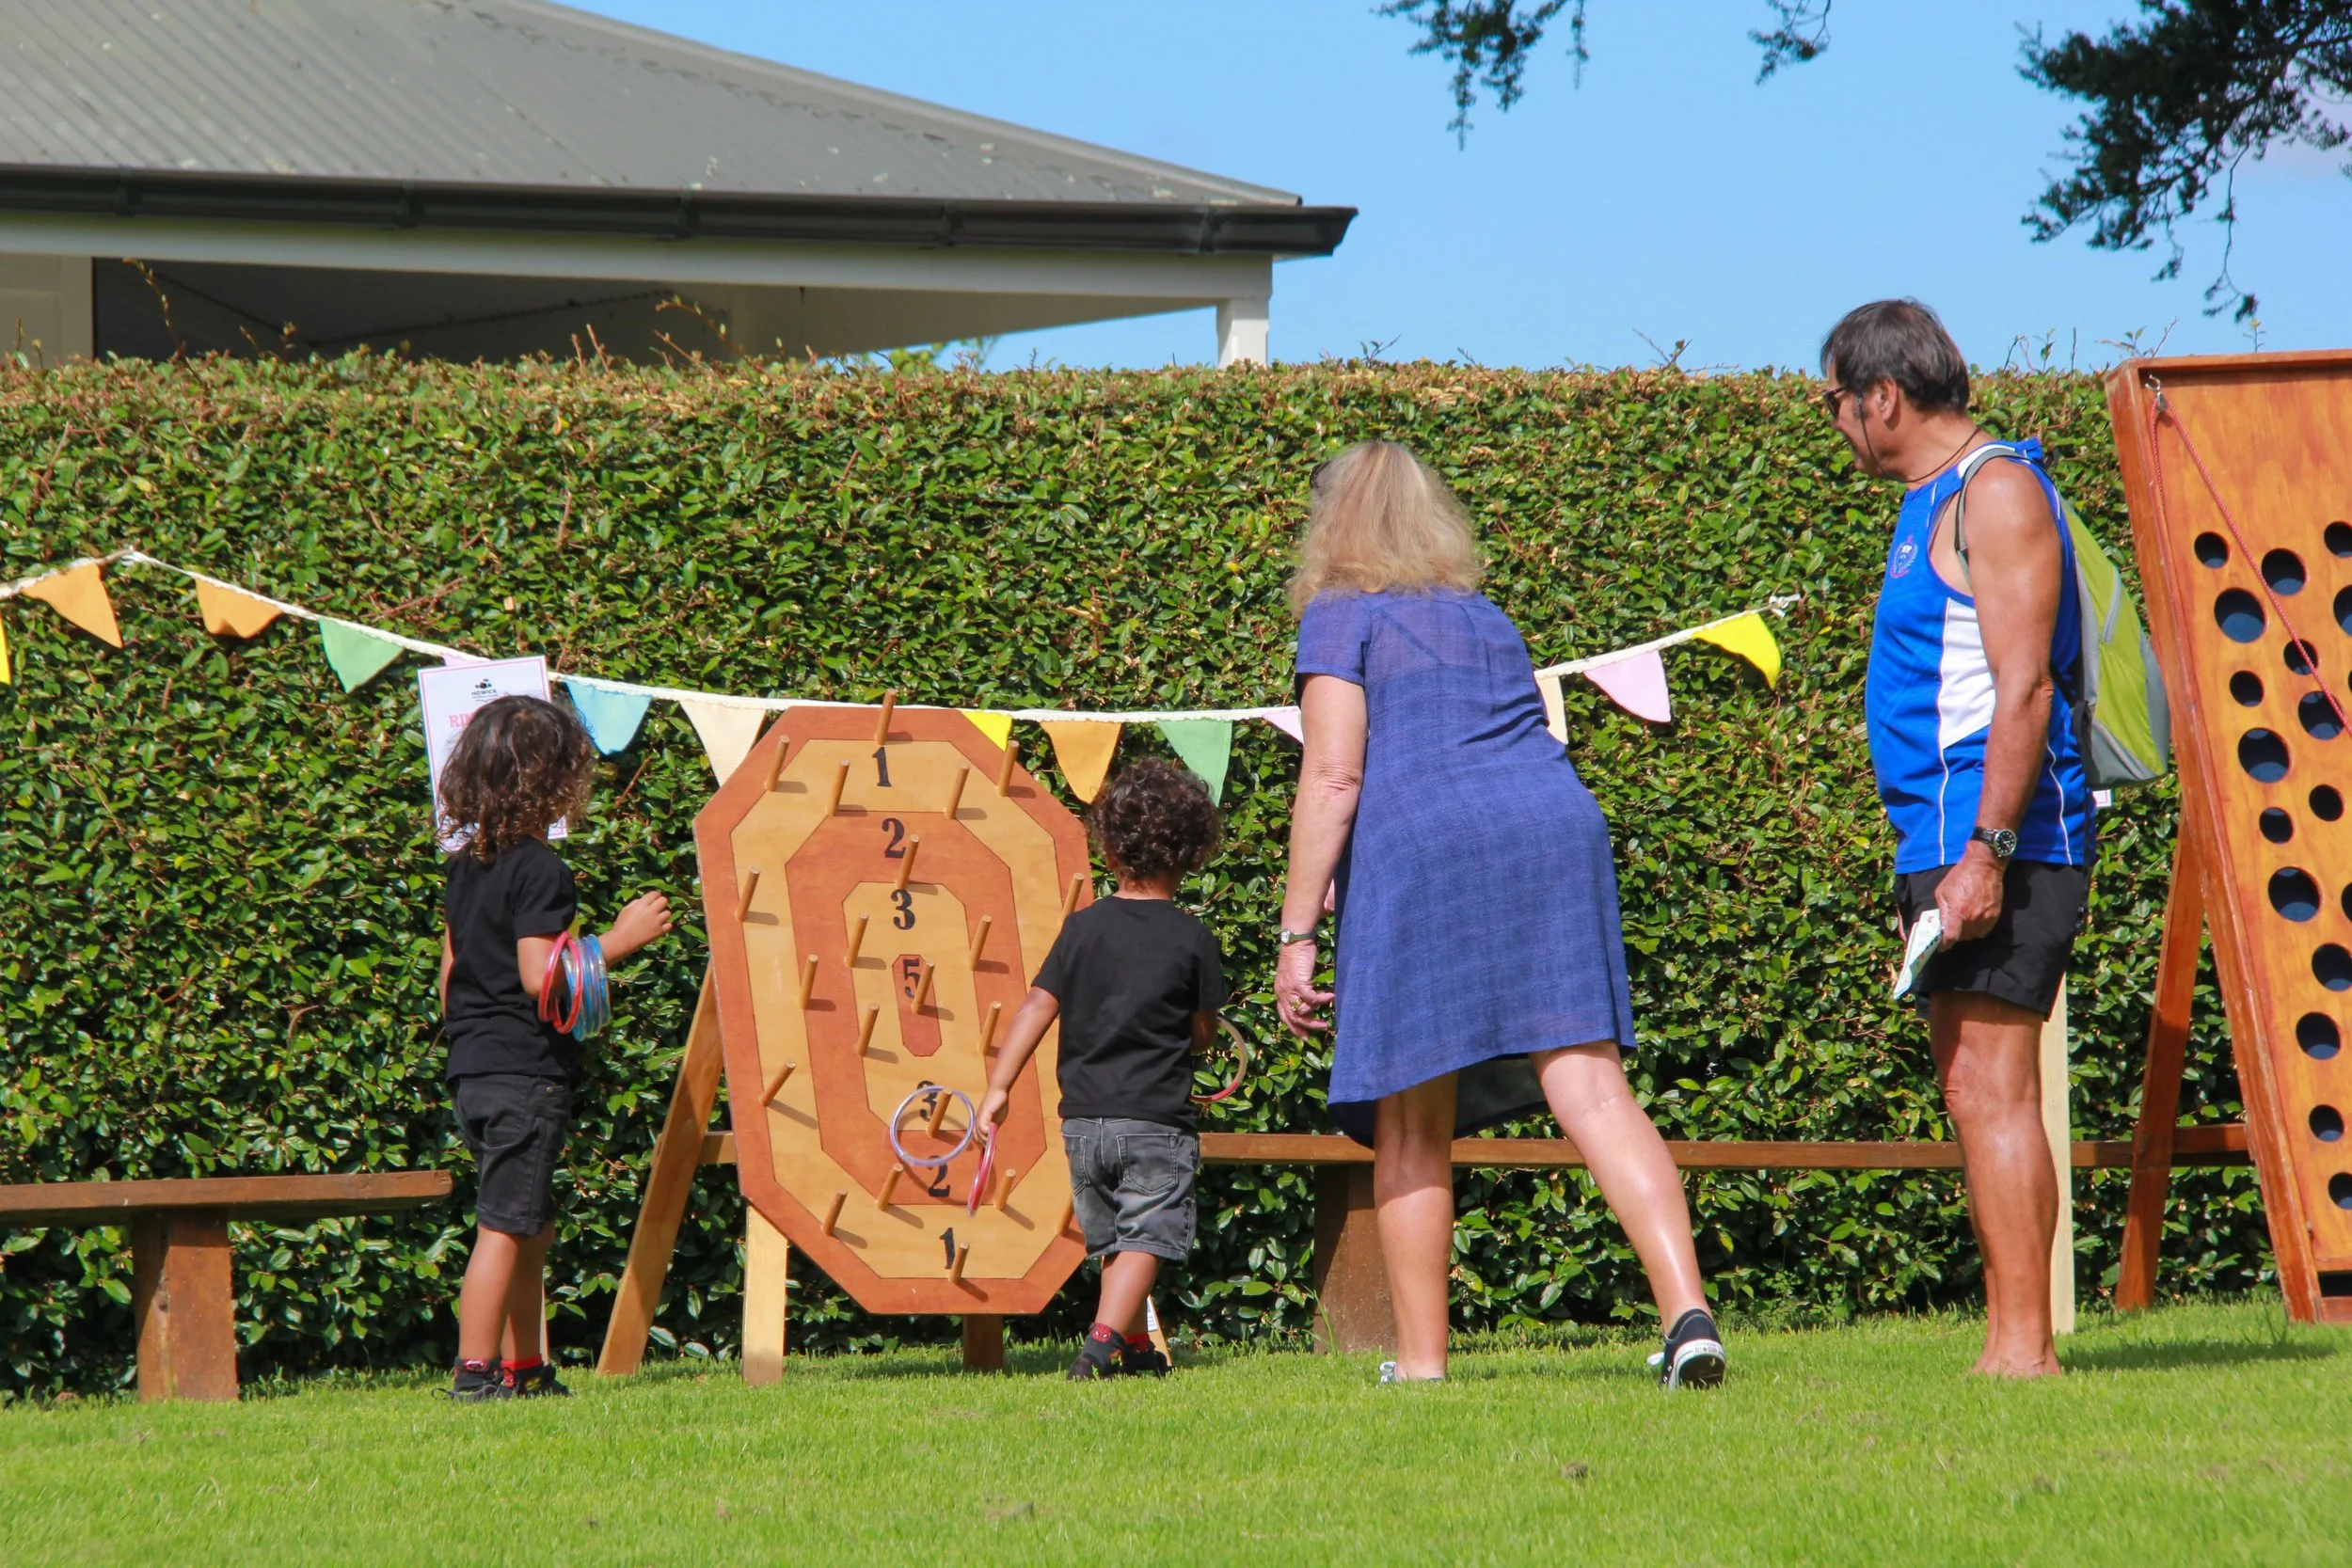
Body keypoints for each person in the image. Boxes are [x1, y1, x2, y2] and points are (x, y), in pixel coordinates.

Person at [1271, 440, 1722, 1387]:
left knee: (1409, 1113)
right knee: (1592, 1087)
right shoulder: (1484, 617)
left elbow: (1335, 772)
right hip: (1555, 827)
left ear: (1330, 526)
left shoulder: (1336, 615)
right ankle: (1688, 1315)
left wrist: (1297, 933)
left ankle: (1425, 1364)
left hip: (1422, 844)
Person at [1823, 298, 2090, 1379]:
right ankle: (2006, 1336)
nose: (1835, 423)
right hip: (1941, 836)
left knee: (1994, 1087)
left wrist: (1984, 849)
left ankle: (2023, 1348)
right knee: (1973, 1091)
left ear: (1883, 394)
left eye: (1836, 402)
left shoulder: (1998, 490)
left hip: (2001, 841)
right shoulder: (1932, 499)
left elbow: (2023, 688)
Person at [437, 694, 674, 1401]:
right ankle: (475, 1373)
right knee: (504, 1229)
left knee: (529, 1225)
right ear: (553, 781)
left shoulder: (464, 868)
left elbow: (450, 973)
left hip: (475, 1066)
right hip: (523, 1071)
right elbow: (544, 977)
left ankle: (527, 1368)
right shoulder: (541, 869)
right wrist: (619, 939)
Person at [977, 759, 1227, 1381]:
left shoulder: (1081, 929)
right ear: (1193, 851)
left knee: (1117, 1236)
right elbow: (1201, 1032)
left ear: (1110, 846)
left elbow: (1038, 1004)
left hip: (1084, 1122)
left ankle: (1133, 1346)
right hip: (1154, 1119)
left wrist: (998, 1087)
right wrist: (1202, 1038)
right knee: (1149, 1233)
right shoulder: (1195, 941)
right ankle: (1098, 1344)